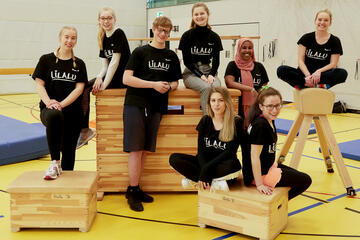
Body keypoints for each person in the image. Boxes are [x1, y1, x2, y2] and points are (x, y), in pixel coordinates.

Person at [122, 16, 182, 211]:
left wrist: (169, 87)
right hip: (136, 104)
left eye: (166, 31)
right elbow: (126, 79)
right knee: (135, 149)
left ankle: (137, 188)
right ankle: (131, 190)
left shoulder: (171, 56)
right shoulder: (140, 52)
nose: (163, 34)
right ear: (153, 29)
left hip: (157, 106)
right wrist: (153, 85)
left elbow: (175, 82)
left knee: (146, 149)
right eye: (160, 30)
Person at [32, 26, 87, 180]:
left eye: (73, 38)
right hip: (49, 109)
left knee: (69, 150)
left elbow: (79, 89)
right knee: (55, 116)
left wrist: (61, 104)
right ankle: (55, 162)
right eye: (67, 37)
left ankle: (67, 182)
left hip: (71, 112)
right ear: (60, 38)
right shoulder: (46, 60)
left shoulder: (79, 64)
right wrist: (50, 102)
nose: (69, 41)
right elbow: (39, 84)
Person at [169, 87, 245, 192]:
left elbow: (229, 152)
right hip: (205, 163)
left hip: (223, 163)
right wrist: (204, 169)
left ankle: (195, 180)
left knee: (233, 164)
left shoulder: (236, 122)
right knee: (174, 158)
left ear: (226, 102)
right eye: (213, 100)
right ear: (209, 103)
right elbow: (200, 151)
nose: (216, 104)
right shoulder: (205, 120)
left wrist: (205, 170)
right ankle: (214, 183)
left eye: (220, 100)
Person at [242, 87, 312, 200]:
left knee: (299, 176)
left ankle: (278, 206)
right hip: (260, 174)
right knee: (305, 180)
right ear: (261, 106)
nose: (274, 110)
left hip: (268, 166)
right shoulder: (260, 125)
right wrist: (260, 184)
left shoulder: (269, 120)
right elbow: (254, 156)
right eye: (270, 106)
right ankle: (278, 206)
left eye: (277, 105)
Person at [77, 7, 131, 148]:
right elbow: (105, 66)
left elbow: (115, 63)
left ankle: (84, 130)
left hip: (122, 77)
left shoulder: (119, 34)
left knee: (87, 88)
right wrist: (99, 77)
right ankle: (84, 129)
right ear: (99, 20)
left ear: (114, 20)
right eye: (103, 18)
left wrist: (103, 86)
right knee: (83, 88)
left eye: (109, 18)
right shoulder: (102, 37)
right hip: (111, 76)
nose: (106, 21)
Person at [277, 9, 347, 90]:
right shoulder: (306, 38)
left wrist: (318, 72)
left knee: (342, 73)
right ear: (315, 21)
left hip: (321, 76)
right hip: (304, 74)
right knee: (281, 70)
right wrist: (308, 76)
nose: (322, 22)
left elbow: (333, 64)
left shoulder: (335, 40)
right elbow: (300, 61)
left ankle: (309, 85)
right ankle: (305, 83)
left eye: (326, 20)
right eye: (320, 19)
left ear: (330, 23)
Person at [178, 2, 223, 114]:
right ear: (193, 17)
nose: (199, 16)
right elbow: (187, 62)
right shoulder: (187, 36)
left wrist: (212, 75)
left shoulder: (214, 37)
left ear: (207, 14)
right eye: (196, 14)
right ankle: (207, 119)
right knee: (206, 88)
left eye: (202, 13)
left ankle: (219, 118)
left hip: (209, 71)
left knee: (217, 88)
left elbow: (216, 61)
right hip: (191, 73)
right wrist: (201, 76)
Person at [225, 38, 269, 121]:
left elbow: (264, 86)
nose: (247, 50)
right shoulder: (232, 65)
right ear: (239, 49)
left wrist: (261, 94)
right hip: (237, 108)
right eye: (244, 48)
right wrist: (250, 89)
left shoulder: (259, 66)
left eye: (250, 48)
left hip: (255, 107)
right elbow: (229, 83)